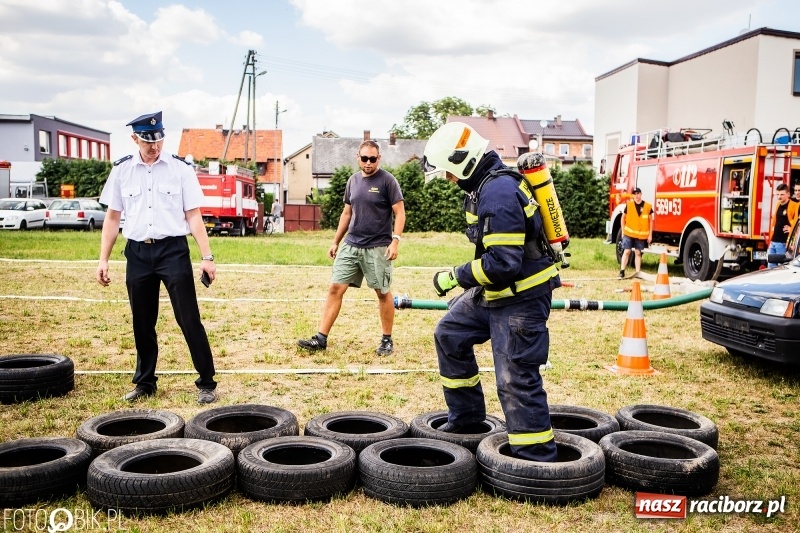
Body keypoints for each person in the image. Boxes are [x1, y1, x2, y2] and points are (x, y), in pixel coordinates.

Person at [421, 122, 561, 462]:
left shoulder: (498, 193)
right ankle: (467, 422)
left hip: (521, 298)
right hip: (496, 292)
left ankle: (535, 460)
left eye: (449, 173)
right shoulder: (482, 187)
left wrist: (456, 276)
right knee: (450, 332)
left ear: (464, 162)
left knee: (514, 378)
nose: (449, 181)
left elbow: (502, 264)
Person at [96, 111, 218, 404]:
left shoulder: (180, 169)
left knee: (188, 318)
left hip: (172, 251)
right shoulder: (122, 171)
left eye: (159, 139)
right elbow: (113, 218)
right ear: (134, 138)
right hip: (137, 253)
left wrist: (207, 256)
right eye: (148, 140)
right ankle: (145, 382)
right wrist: (103, 260)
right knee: (142, 320)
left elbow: (193, 216)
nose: (155, 146)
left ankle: (207, 382)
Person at [297, 140, 405, 356]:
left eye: (372, 159)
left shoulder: (388, 181)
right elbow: (347, 213)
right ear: (358, 157)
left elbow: (400, 213)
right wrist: (336, 241)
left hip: (377, 247)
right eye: (364, 158)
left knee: (382, 293)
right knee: (335, 288)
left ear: (378, 158)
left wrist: (395, 241)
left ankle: (386, 340)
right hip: (351, 244)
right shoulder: (353, 181)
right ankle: (321, 339)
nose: (368, 163)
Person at [618, 188, 653, 279]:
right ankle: (622, 271)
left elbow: (651, 221)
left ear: (641, 194)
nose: (637, 196)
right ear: (633, 195)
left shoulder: (647, 206)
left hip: (640, 235)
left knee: (638, 252)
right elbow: (623, 218)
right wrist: (623, 231)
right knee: (627, 251)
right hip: (629, 233)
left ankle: (638, 273)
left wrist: (650, 235)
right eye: (635, 194)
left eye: (638, 194)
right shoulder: (629, 205)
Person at [767, 183, 799, 268]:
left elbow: (796, 222)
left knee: (781, 267)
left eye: (782, 194)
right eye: (777, 194)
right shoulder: (778, 204)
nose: (779, 197)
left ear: (788, 194)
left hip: (783, 242)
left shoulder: (794, 205)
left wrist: (792, 229)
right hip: (774, 241)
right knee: (770, 266)